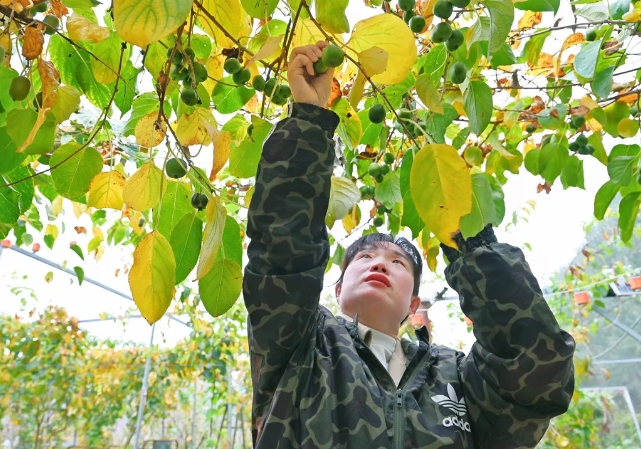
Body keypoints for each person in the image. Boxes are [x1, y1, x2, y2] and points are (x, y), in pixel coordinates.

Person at [242, 41, 576, 449]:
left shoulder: (455, 375)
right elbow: (281, 250)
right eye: (364, 257)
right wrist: (310, 120)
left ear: (415, 305)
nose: (380, 264)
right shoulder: (300, 347)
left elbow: (539, 370)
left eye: (399, 263)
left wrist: (471, 247)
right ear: (336, 290)